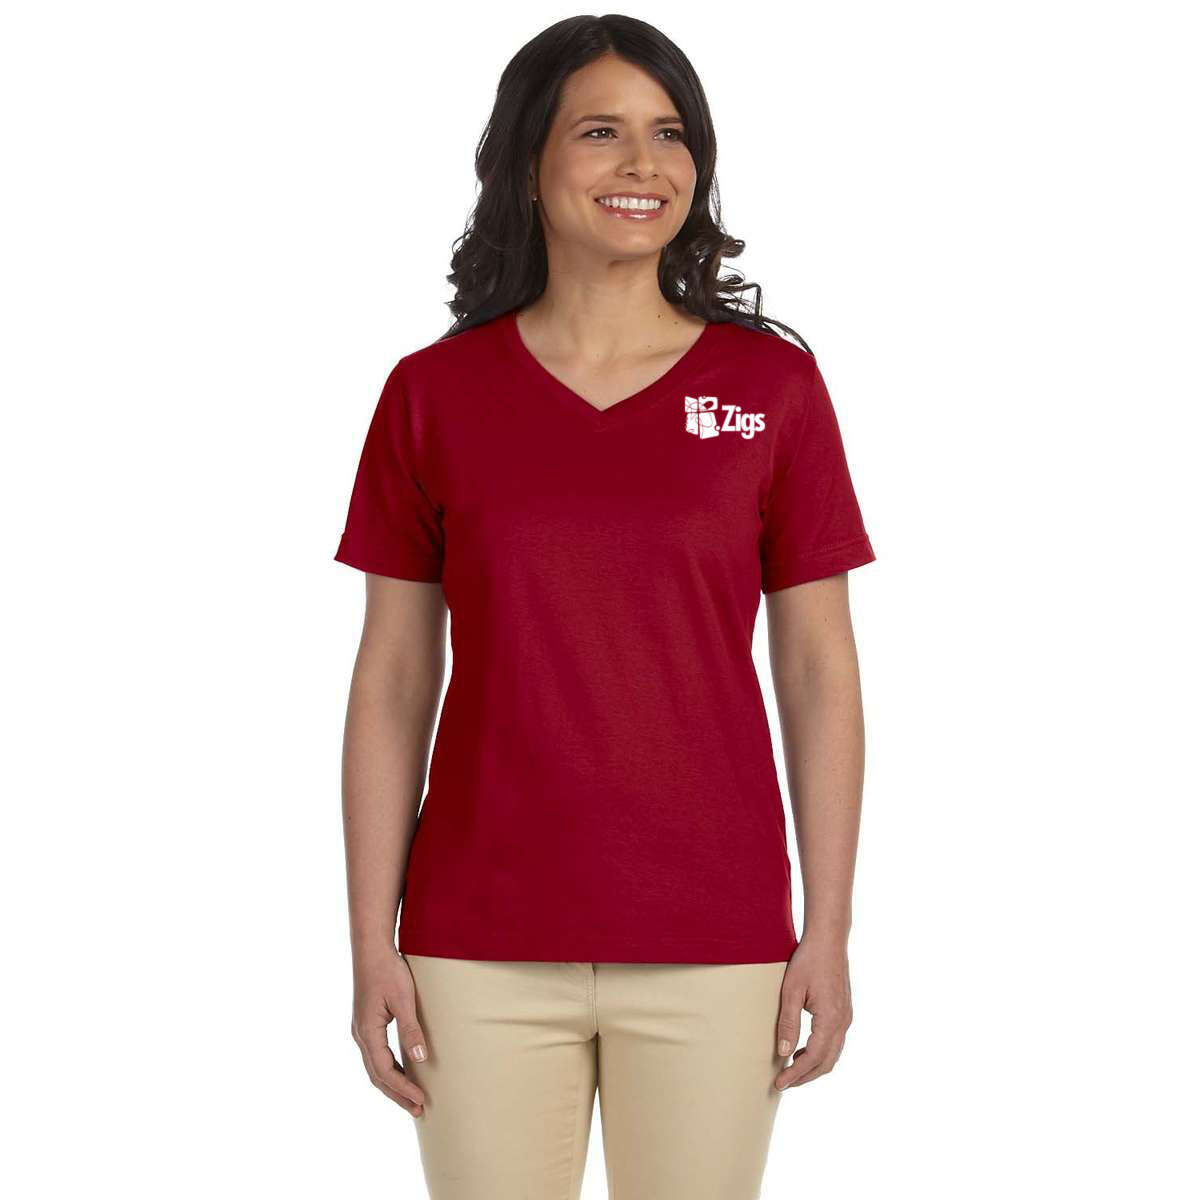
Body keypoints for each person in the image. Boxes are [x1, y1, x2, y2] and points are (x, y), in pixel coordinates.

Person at [335, 15, 876, 1200]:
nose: (644, 164)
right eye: (600, 132)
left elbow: (818, 671)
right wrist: (370, 938)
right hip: (475, 941)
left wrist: (828, 927)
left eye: (671, 134)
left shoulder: (772, 389)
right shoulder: (433, 395)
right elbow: (393, 679)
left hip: (715, 935)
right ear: (528, 160)